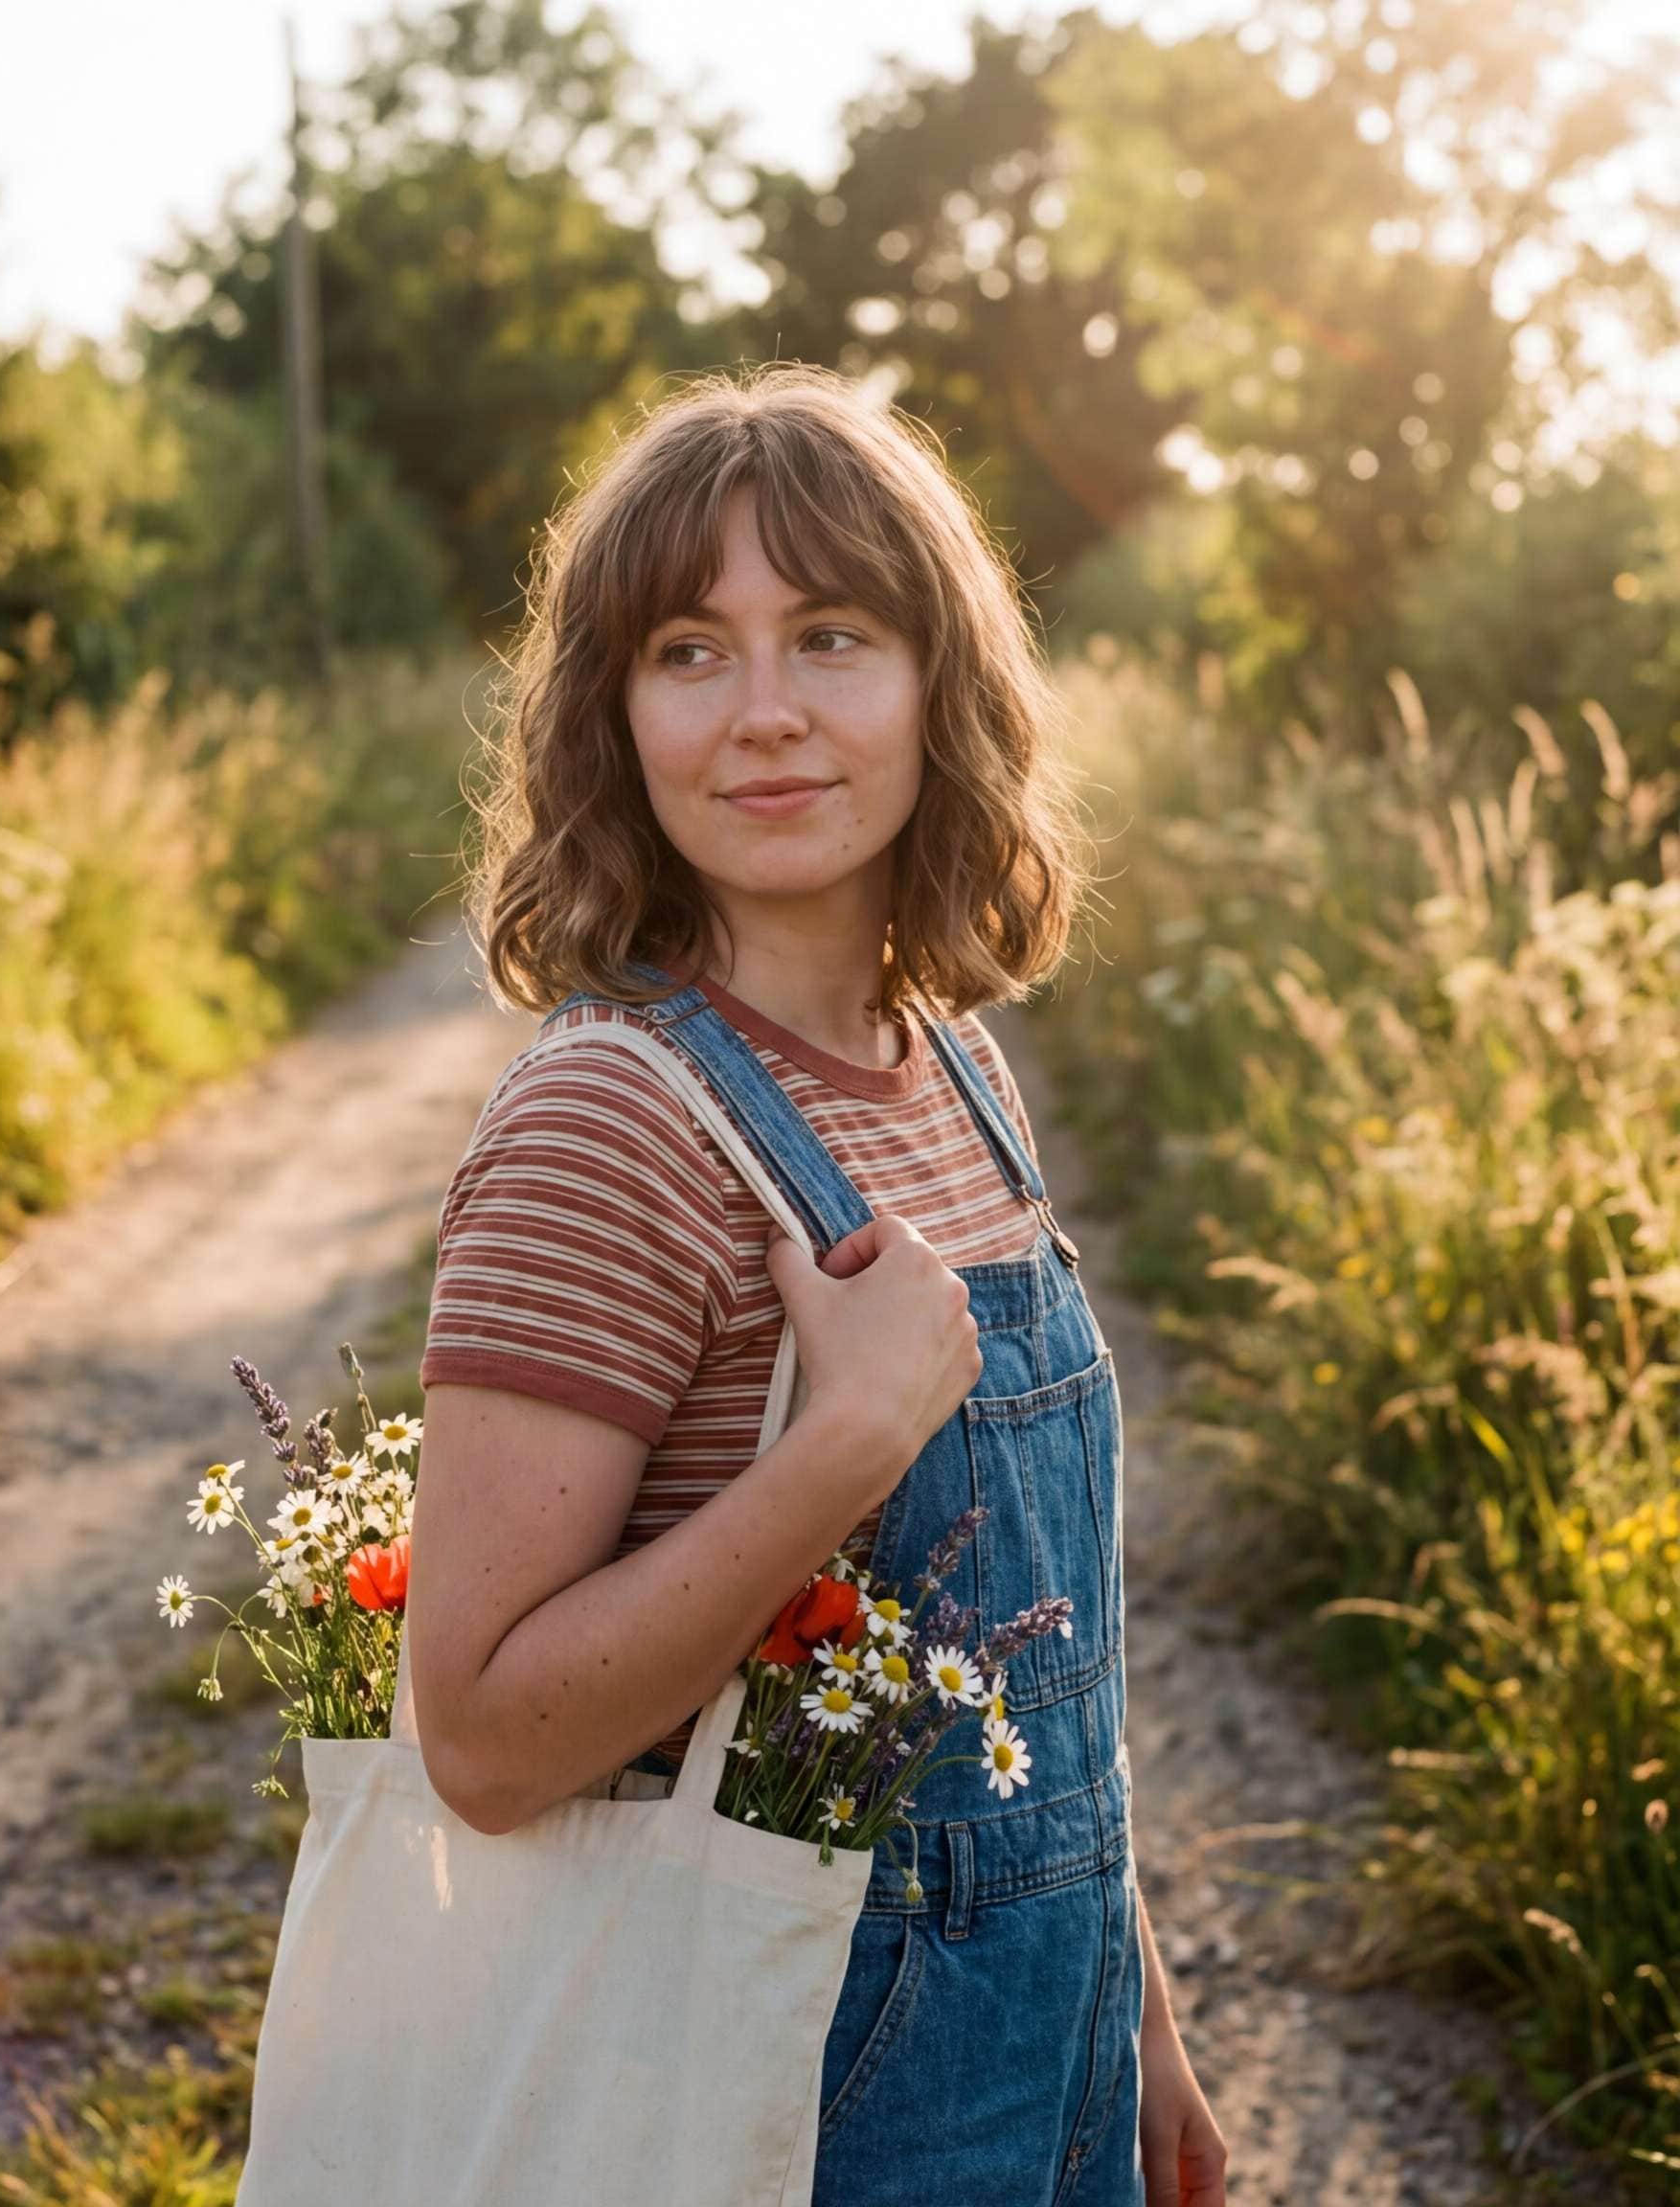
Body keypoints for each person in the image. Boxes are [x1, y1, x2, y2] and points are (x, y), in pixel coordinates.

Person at [408, 362, 1228, 2206]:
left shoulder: (953, 1066)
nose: (764, 716)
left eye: (834, 636)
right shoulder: (611, 1122)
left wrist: (1137, 2006)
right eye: (690, 651)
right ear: (614, 716)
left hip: (1057, 2037)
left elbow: (1044, 1677)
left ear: (943, 684)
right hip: (796, 2091)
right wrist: (836, 1446)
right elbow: (475, 1736)